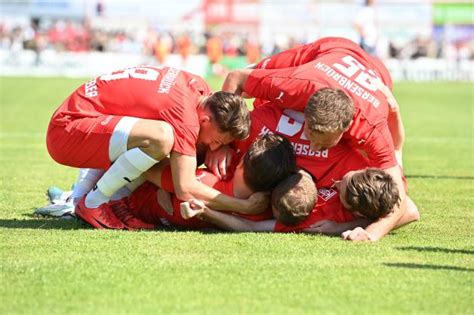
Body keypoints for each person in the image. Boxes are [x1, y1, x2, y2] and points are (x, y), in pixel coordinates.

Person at [220, 37, 407, 241]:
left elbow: (401, 201)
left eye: (324, 143)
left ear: (346, 129)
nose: (313, 146)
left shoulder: (371, 128)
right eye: (310, 134)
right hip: (330, 51)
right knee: (249, 83)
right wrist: (223, 142)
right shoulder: (298, 85)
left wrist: (371, 234)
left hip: (378, 74)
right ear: (304, 110)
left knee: (380, 186)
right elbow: (236, 78)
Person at [46, 65, 263, 230]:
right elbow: (185, 188)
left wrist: (220, 146)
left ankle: (78, 199)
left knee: (176, 148)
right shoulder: (186, 117)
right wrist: (243, 207)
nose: (214, 146)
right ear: (205, 120)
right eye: (217, 140)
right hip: (66, 132)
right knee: (162, 138)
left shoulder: (199, 88)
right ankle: (93, 203)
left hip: (87, 119)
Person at [95, 134, 298, 230]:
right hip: (129, 193)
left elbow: (143, 164)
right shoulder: (262, 209)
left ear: (241, 165)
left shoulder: (209, 177)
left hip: (124, 195)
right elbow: (256, 227)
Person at [180, 168, 419, 237]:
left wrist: (207, 213)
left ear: (353, 208)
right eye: (343, 180)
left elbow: (411, 211)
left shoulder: (317, 218)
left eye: (340, 190)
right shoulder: (357, 167)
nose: (334, 183)